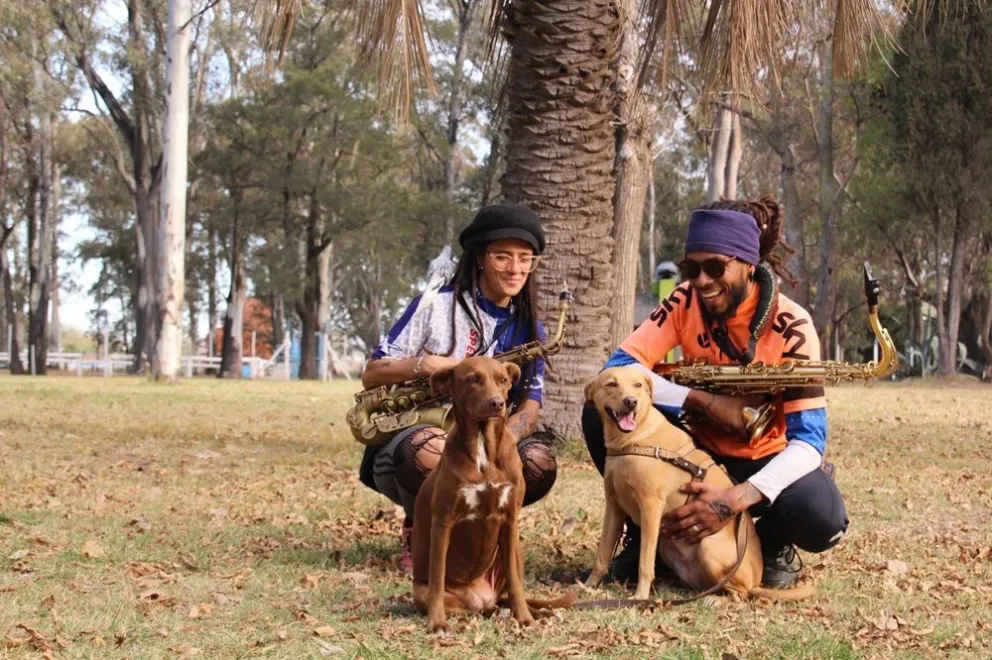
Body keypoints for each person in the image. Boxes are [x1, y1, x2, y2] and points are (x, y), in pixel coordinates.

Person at [582, 196, 848, 589]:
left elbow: (809, 443)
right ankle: (647, 537)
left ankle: (770, 544)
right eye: (692, 269)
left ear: (749, 264)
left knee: (821, 517)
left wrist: (732, 500)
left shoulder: (793, 325)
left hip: (763, 456)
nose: (702, 281)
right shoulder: (683, 299)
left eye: (715, 267)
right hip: (694, 449)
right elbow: (620, 366)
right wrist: (698, 400)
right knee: (602, 410)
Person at [358, 203, 558, 574]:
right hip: (415, 440)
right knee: (431, 451)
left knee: (538, 462)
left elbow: (530, 409)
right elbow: (371, 373)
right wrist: (426, 364)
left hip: (491, 443)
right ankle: (419, 530)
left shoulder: (531, 330)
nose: (515, 269)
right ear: (480, 257)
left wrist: (499, 446)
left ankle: (484, 539)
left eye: (525, 259)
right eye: (502, 257)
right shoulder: (435, 306)